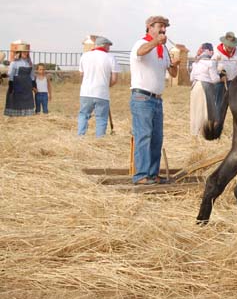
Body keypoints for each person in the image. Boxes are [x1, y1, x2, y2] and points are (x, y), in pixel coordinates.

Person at [130, 15, 180, 185]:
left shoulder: (163, 50)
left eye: (165, 27)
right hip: (142, 97)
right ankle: (141, 175)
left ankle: (152, 174)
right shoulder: (141, 43)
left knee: (156, 138)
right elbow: (140, 52)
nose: (164, 29)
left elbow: (173, 74)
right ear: (150, 27)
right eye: (160, 26)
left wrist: (175, 64)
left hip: (157, 99)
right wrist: (156, 42)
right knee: (144, 136)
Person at [77, 36, 120, 136]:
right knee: (101, 118)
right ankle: (100, 139)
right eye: (108, 46)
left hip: (86, 92)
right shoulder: (111, 58)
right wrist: (105, 85)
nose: (109, 48)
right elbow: (114, 79)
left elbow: (81, 74)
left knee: (83, 115)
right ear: (104, 45)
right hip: (102, 93)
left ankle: (80, 137)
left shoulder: (85, 56)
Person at [190, 42, 220, 136]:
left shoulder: (196, 63)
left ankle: (195, 132)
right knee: (204, 110)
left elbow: (191, 78)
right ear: (210, 51)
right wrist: (221, 76)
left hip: (195, 87)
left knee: (196, 110)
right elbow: (214, 79)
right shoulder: (211, 63)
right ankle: (203, 132)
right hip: (205, 87)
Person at [212, 31, 237, 116]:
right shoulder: (216, 51)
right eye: (228, 45)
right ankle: (217, 124)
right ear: (224, 43)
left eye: (232, 45)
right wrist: (218, 77)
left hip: (234, 82)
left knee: (236, 106)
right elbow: (211, 66)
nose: (230, 47)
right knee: (219, 105)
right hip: (220, 83)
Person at [4, 43, 35, 116]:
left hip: (27, 86)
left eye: (27, 52)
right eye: (24, 52)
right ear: (20, 52)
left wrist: (34, 85)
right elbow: (11, 74)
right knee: (16, 99)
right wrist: (11, 85)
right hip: (17, 84)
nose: (26, 53)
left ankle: (26, 115)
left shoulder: (30, 63)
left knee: (27, 101)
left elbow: (32, 76)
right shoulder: (14, 63)